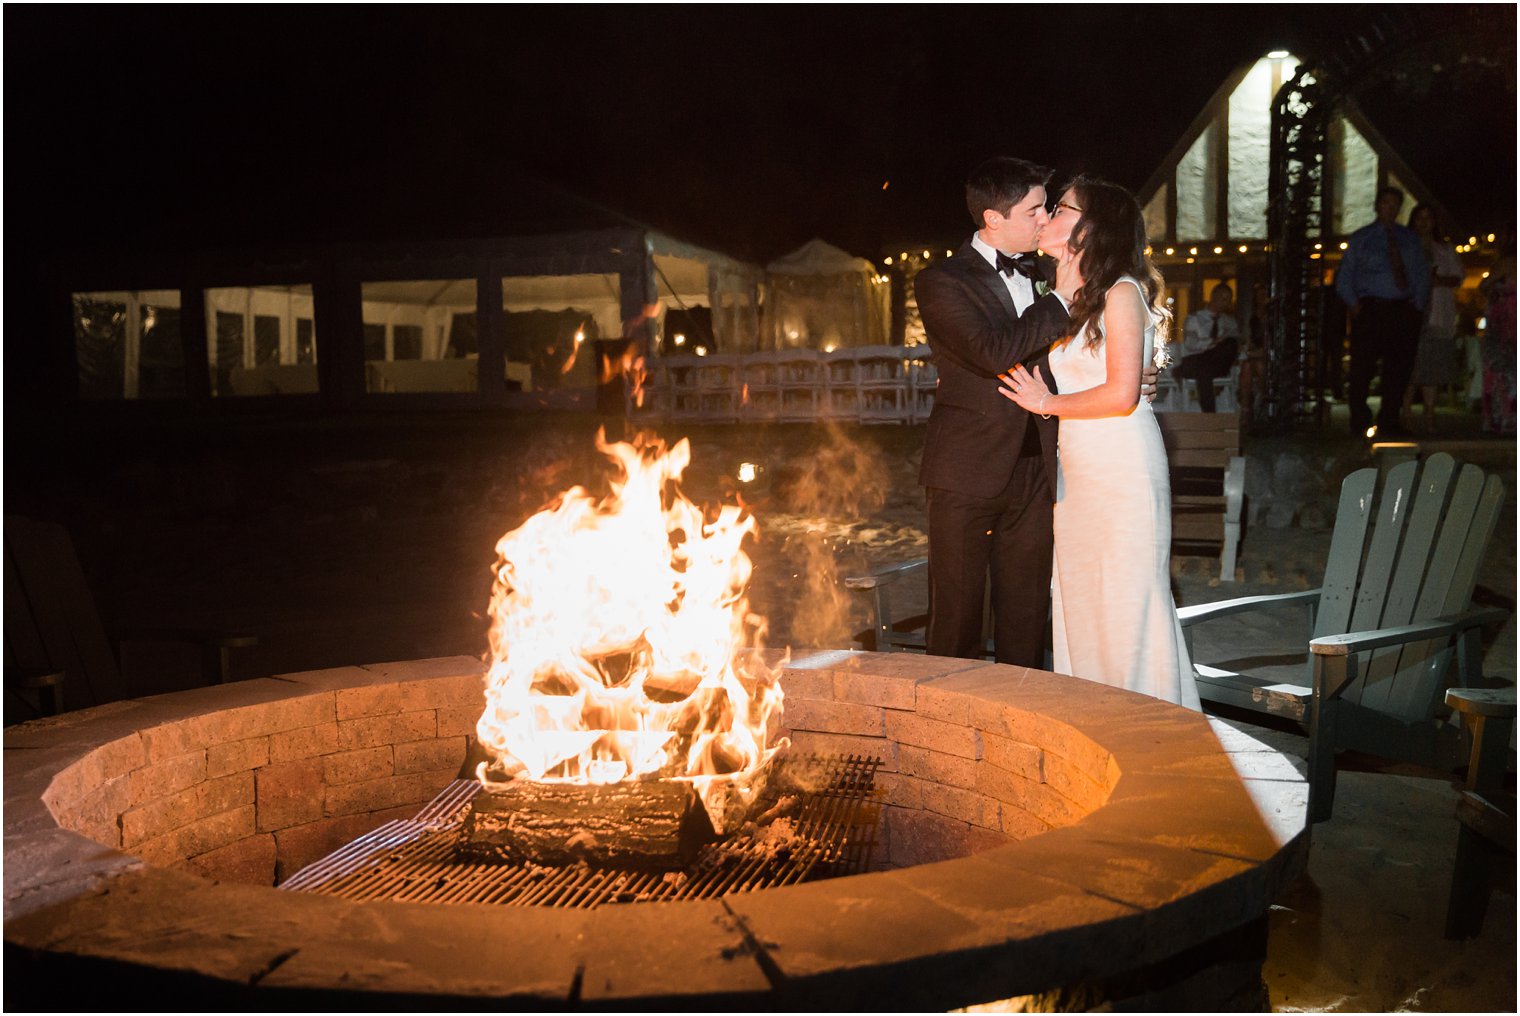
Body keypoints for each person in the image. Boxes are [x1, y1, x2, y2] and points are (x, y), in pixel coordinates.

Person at [998, 175, 1200, 710]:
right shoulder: (1069, 302)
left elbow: (1120, 392)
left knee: (1126, 600)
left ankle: (1149, 727)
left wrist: (1048, 403)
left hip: (1122, 466)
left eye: (1059, 208)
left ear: (1093, 228)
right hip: (1076, 471)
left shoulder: (1123, 292)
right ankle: (1096, 720)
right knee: (1081, 597)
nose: (1045, 217)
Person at [912, 157, 1077, 666]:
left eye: (1047, 208)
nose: (1045, 220)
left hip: (1035, 469)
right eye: (1034, 211)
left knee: (1026, 616)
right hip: (967, 471)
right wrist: (1062, 302)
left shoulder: (1049, 271)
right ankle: (942, 729)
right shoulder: (941, 280)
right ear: (993, 219)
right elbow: (990, 351)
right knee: (958, 616)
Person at [1334, 186, 1430, 439]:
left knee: (1398, 369)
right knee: (1362, 368)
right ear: (1378, 206)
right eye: (1386, 203)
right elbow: (1344, 276)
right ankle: (1360, 420)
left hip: (1402, 309)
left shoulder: (1408, 239)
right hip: (1372, 308)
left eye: (1396, 205)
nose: (1391, 209)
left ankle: (1389, 419)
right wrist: (1355, 306)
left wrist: (1416, 306)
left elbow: (1420, 273)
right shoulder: (1361, 239)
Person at [1402, 205, 1464, 434]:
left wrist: (1438, 281)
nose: (1424, 223)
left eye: (1428, 218)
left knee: (1433, 365)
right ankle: (1406, 411)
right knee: (1409, 364)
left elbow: (1457, 277)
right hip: (1411, 312)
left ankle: (1429, 413)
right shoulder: (1406, 246)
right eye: (1419, 218)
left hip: (1437, 312)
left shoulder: (1445, 249)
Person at [1171, 283, 1240, 412]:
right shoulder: (1195, 319)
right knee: (1204, 369)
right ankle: (1210, 414)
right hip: (1196, 360)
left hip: (1217, 362)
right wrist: (1212, 343)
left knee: (1230, 344)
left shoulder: (1229, 322)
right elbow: (1190, 344)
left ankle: (1209, 415)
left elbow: (1233, 345)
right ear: (1214, 296)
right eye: (1223, 299)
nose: (1226, 303)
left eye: (1228, 300)